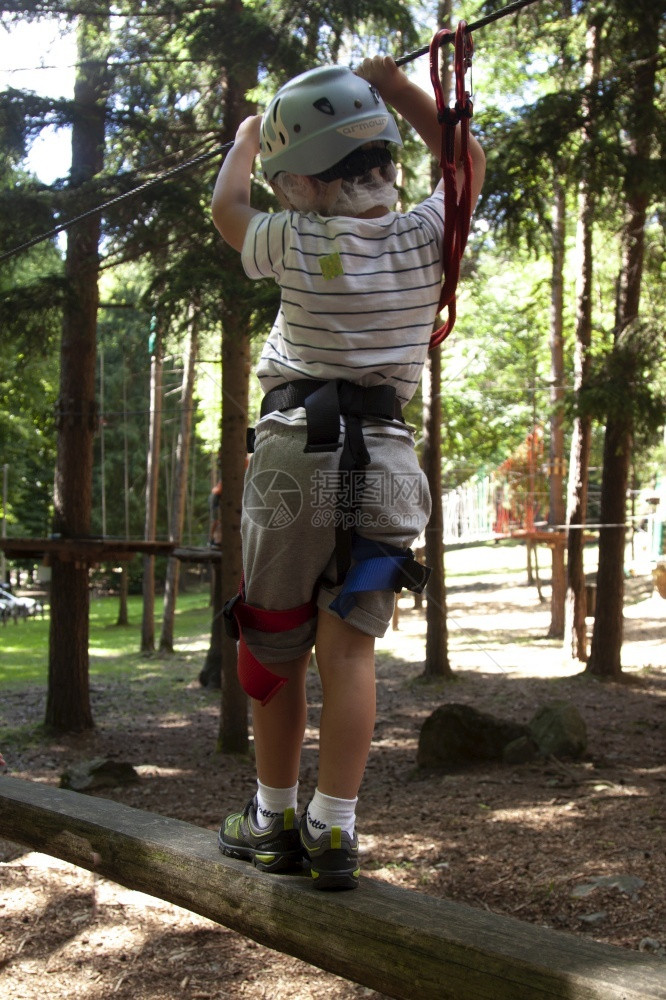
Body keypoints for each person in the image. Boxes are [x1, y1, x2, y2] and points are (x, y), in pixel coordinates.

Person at [211, 55, 485, 889]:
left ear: (300, 184)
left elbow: (226, 210)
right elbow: (468, 161)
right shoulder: (426, 235)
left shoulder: (295, 237)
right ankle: (334, 830)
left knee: (276, 643)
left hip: (297, 453)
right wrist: (403, 90)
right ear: (383, 162)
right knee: (351, 652)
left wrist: (246, 138)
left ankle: (272, 814)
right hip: (389, 461)